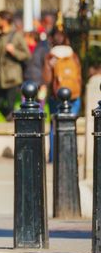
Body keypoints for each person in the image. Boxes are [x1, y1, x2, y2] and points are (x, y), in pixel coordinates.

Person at [42, 30, 82, 162]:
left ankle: (54, 157)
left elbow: (47, 79)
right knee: (71, 126)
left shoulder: (51, 57)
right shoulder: (73, 56)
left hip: (56, 97)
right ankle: (70, 156)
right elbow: (79, 77)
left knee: (54, 126)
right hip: (74, 96)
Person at [0, 10, 31, 121]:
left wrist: (14, 51)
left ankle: (13, 120)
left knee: (10, 103)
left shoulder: (17, 36)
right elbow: (0, 55)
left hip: (13, 77)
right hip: (0, 76)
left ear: (5, 21)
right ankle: (12, 118)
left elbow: (27, 54)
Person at [23, 31, 49, 108]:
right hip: (27, 79)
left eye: (26, 38)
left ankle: (40, 118)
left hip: (39, 80)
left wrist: (44, 83)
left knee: (40, 103)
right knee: (26, 103)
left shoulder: (42, 50)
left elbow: (45, 66)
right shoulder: (25, 50)